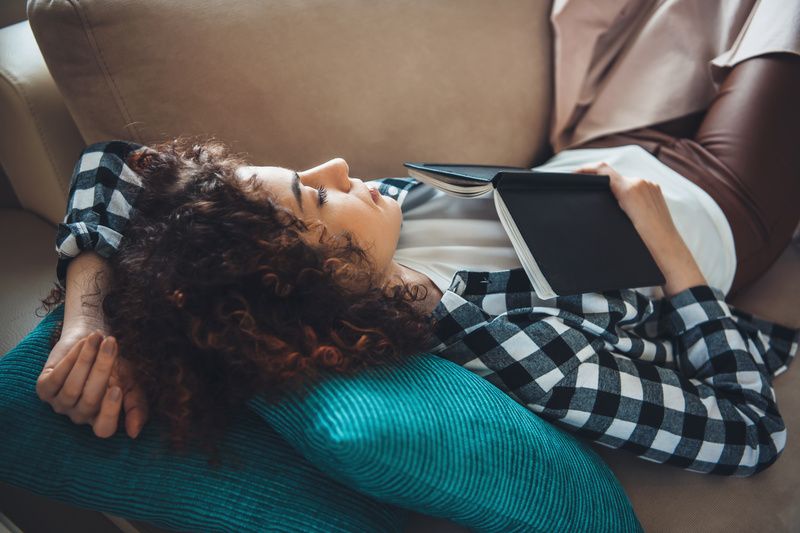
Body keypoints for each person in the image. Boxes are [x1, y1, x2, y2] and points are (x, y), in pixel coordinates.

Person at [36, 53, 799, 476]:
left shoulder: (369, 249)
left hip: (599, 145)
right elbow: (748, 430)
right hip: (716, 203)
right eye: (320, 198)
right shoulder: (523, 350)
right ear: (302, 281)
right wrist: (668, 247)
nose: (339, 165)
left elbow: (120, 164)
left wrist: (88, 318)